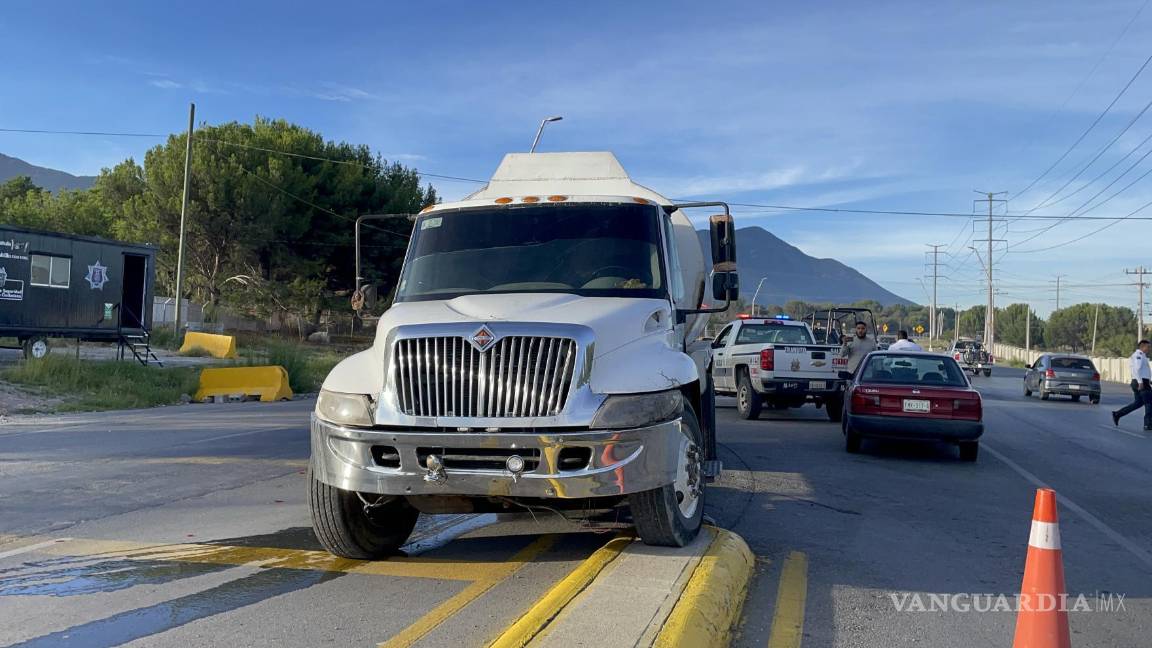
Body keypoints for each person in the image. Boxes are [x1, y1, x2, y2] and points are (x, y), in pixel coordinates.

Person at [1112, 339, 1152, 431]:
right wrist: (1140, 382)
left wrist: (1148, 380)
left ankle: (1118, 414)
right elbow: (1137, 369)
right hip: (1141, 383)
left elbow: (1141, 371)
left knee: (1138, 403)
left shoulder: (1140, 355)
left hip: (1140, 381)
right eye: (1148, 347)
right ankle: (1148, 424)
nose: (1149, 348)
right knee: (1149, 403)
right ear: (1142, 346)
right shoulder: (1139, 355)